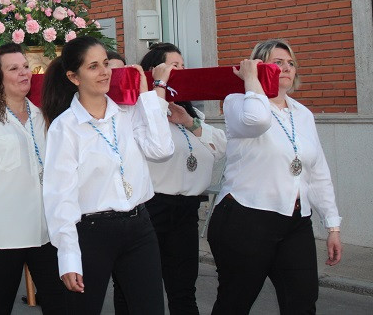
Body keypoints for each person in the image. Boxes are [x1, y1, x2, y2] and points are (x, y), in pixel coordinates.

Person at [41, 36, 175, 315]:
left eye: (105, 64)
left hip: (139, 227)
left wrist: (148, 97)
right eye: (93, 66)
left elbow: (162, 149)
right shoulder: (65, 128)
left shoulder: (127, 111)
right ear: (73, 77)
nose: (104, 72)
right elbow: (59, 196)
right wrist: (68, 257)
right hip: (92, 234)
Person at [207, 39, 342, 314]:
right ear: (258, 66)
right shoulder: (238, 102)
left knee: (302, 303)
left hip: (295, 221)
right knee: (234, 303)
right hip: (246, 219)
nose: (287, 68)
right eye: (277, 62)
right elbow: (257, 121)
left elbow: (318, 172)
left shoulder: (302, 114)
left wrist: (333, 225)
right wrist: (252, 82)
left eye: (291, 63)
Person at [113, 43, 227, 315]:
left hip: (185, 211)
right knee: (134, 288)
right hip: (151, 208)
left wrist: (190, 122)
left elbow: (220, 148)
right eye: (174, 66)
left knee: (183, 290)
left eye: (184, 65)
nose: (182, 71)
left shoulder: (191, 112)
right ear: (155, 72)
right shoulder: (138, 111)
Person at [0, 43, 70, 314]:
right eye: (13, 69)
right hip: (1, 240)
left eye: (25, 67)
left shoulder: (43, 118)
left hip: (46, 236)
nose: (24, 73)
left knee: (63, 307)